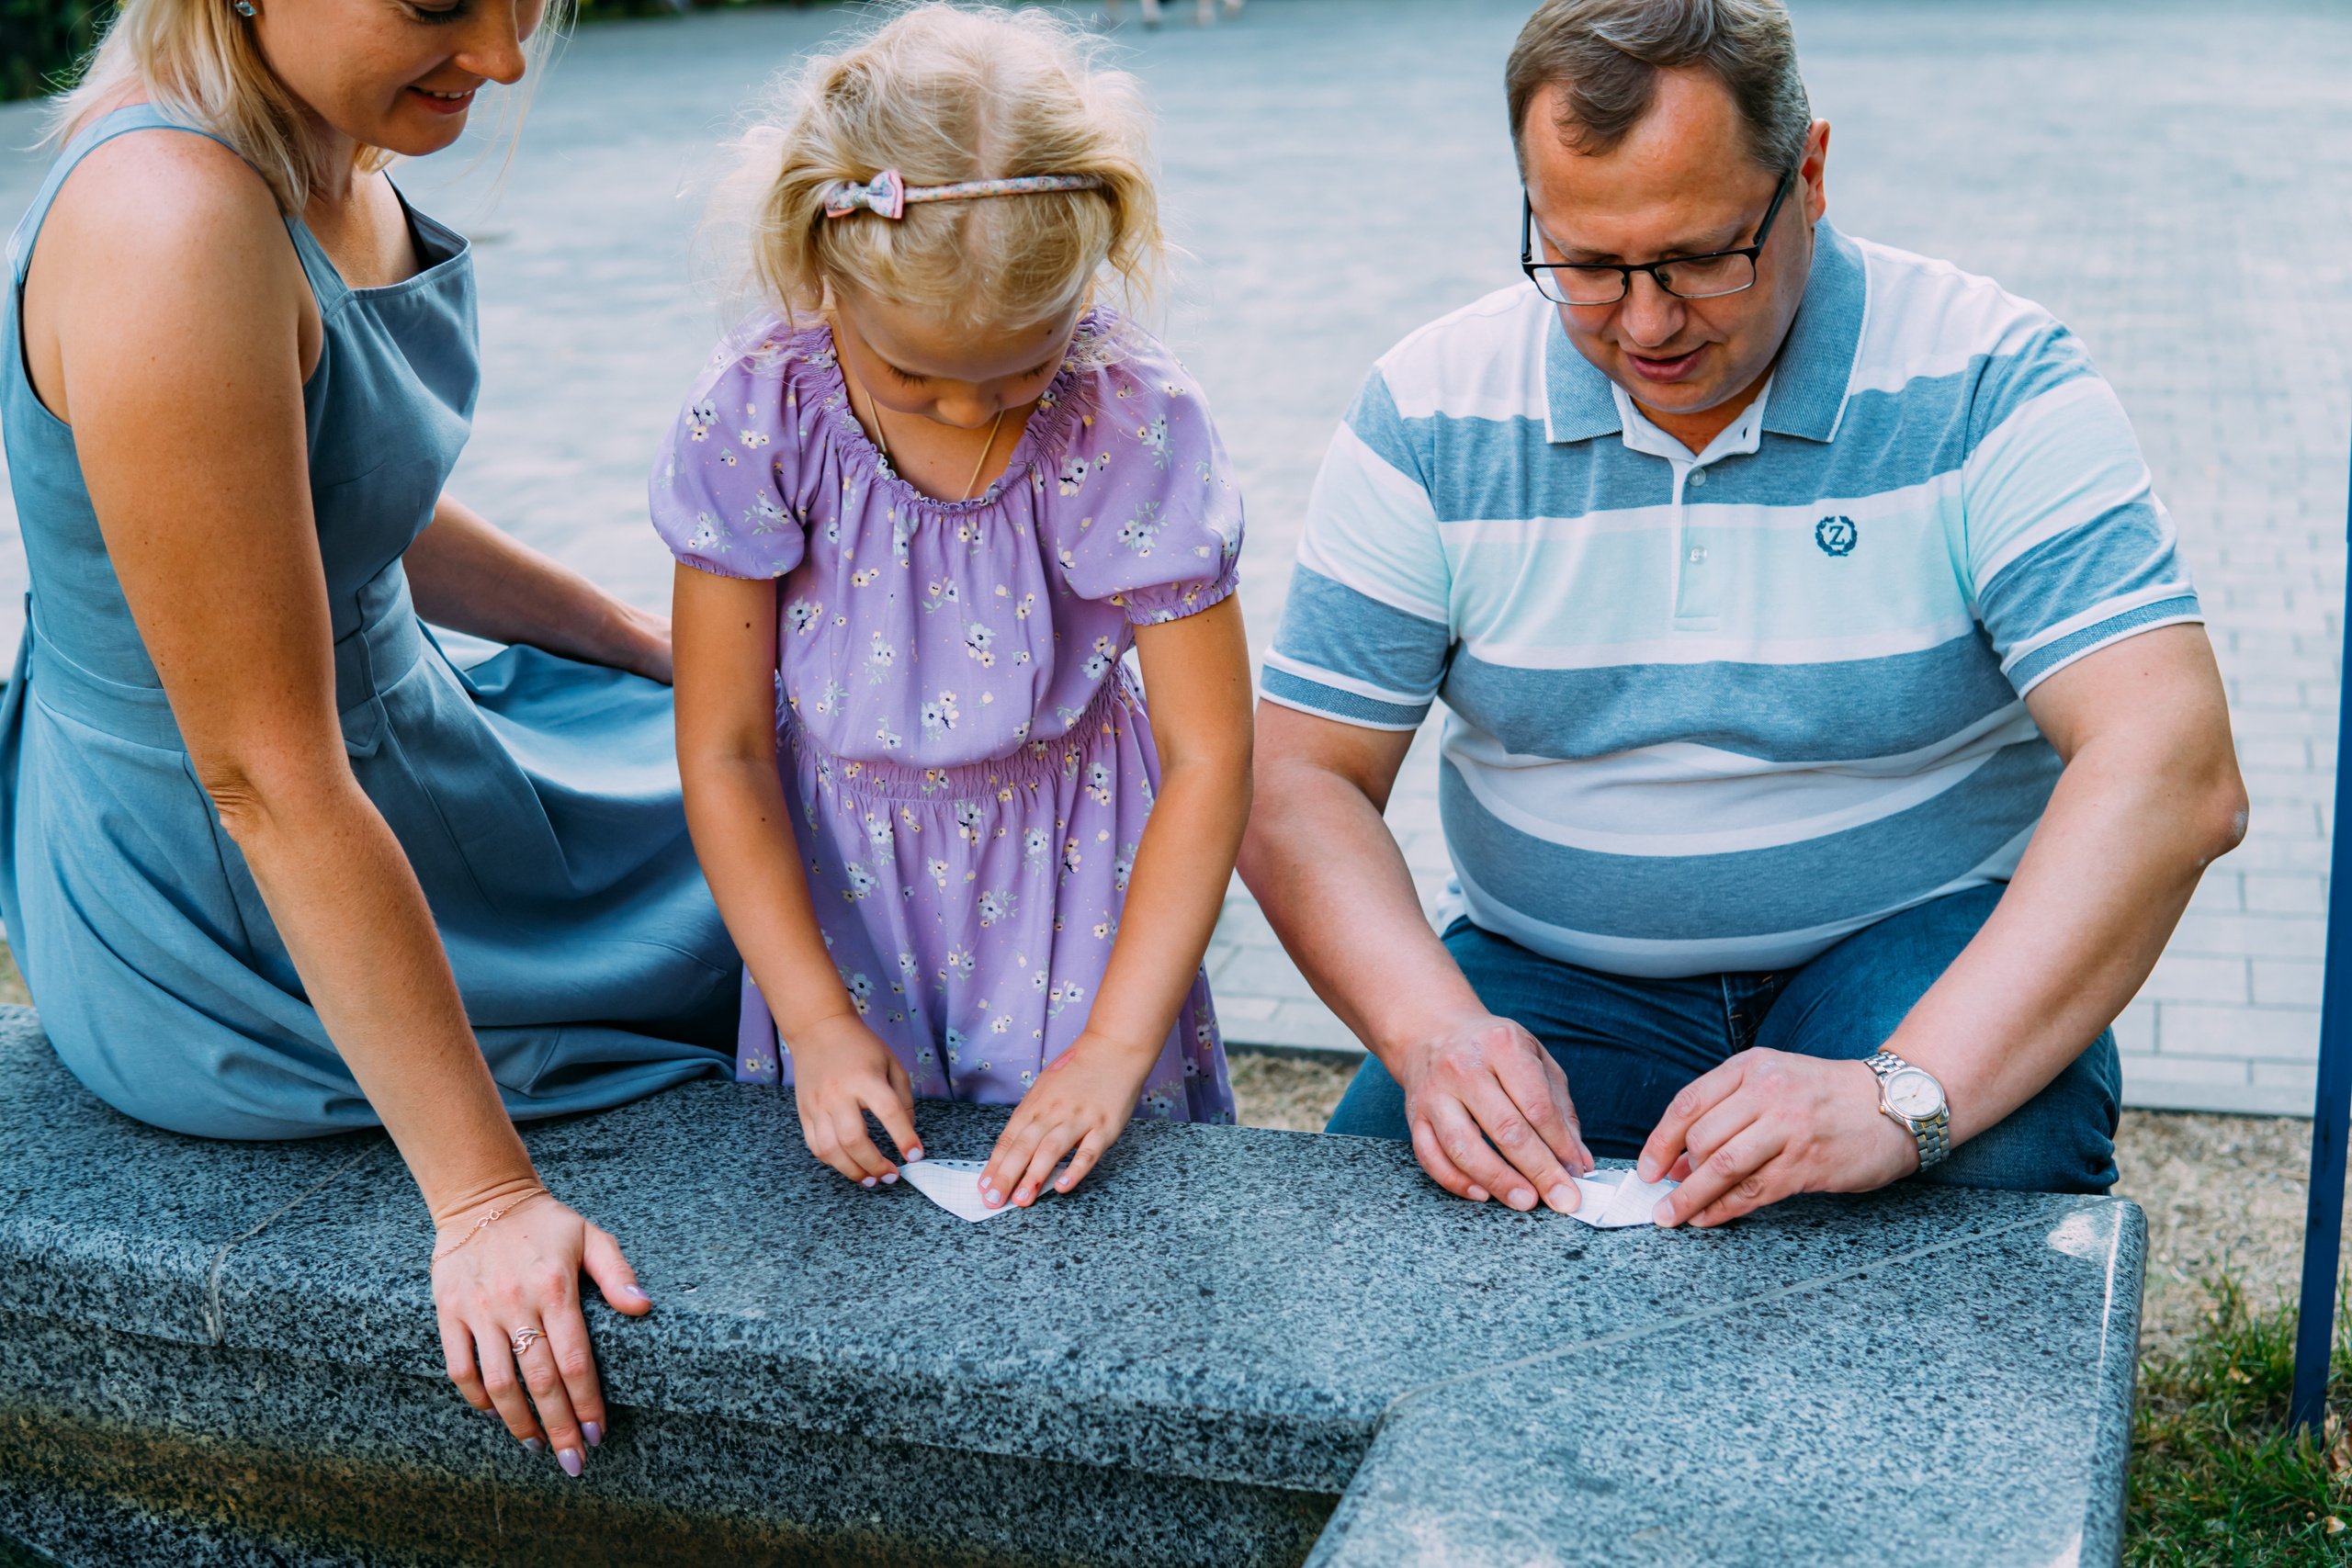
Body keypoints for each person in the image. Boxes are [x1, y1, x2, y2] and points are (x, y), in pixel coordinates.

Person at [1240, 0, 2246, 1228]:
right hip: (1551, 977)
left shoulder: (1988, 378)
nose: (1650, 323)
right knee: (1391, 1217)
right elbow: (1299, 784)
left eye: (1705, 256)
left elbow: (2174, 763)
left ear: (1809, 175)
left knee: (1976, 1164)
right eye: (1589, 265)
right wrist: (1434, 1030)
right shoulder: (1429, 411)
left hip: (1909, 950)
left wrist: (1897, 1096)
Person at [5, 0, 741, 1483]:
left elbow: (343, 500)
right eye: (437, 7)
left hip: (395, 747)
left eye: (522, 2)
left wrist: (654, 654)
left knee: (790, 770)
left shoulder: (310, 123)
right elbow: (261, 775)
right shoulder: (169, 224)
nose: (503, 59)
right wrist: (481, 1203)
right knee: (771, 886)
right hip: (230, 888)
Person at [661, 6, 1252, 1214]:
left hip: (1081, 887)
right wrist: (816, 1018)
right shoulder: (761, 415)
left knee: (1094, 1217)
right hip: (840, 893)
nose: (971, 415)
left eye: (1019, 374)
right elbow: (720, 749)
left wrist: (1115, 1048)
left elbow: (1211, 754)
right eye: (912, 381)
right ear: (824, 268)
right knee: (860, 1217)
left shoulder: (1127, 417)